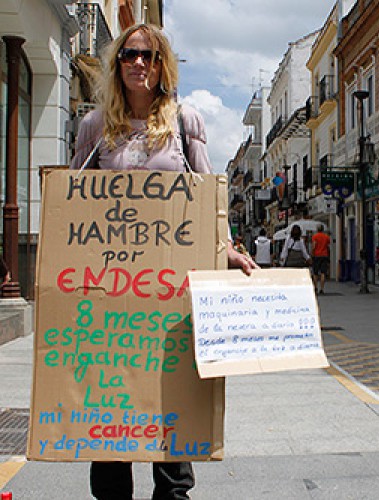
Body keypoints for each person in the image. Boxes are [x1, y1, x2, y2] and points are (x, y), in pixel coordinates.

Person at [69, 23, 258, 500]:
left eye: (149, 56)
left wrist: (228, 246)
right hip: (108, 288)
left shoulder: (185, 121)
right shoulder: (94, 127)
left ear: (162, 66)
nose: (138, 63)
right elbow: (71, 202)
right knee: (112, 403)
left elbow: (208, 195)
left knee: (170, 395)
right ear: (117, 64)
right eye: (129, 54)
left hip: (170, 291)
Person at [311, 225, 331, 294]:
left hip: (317, 256)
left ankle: (315, 287)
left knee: (315, 273)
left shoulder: (315, 236)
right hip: (324, 255)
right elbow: (328, 246)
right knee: (323, 273)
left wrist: (312, 253)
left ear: (317, 229)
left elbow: (314, 246)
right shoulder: (326, 237)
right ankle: (322, 288)